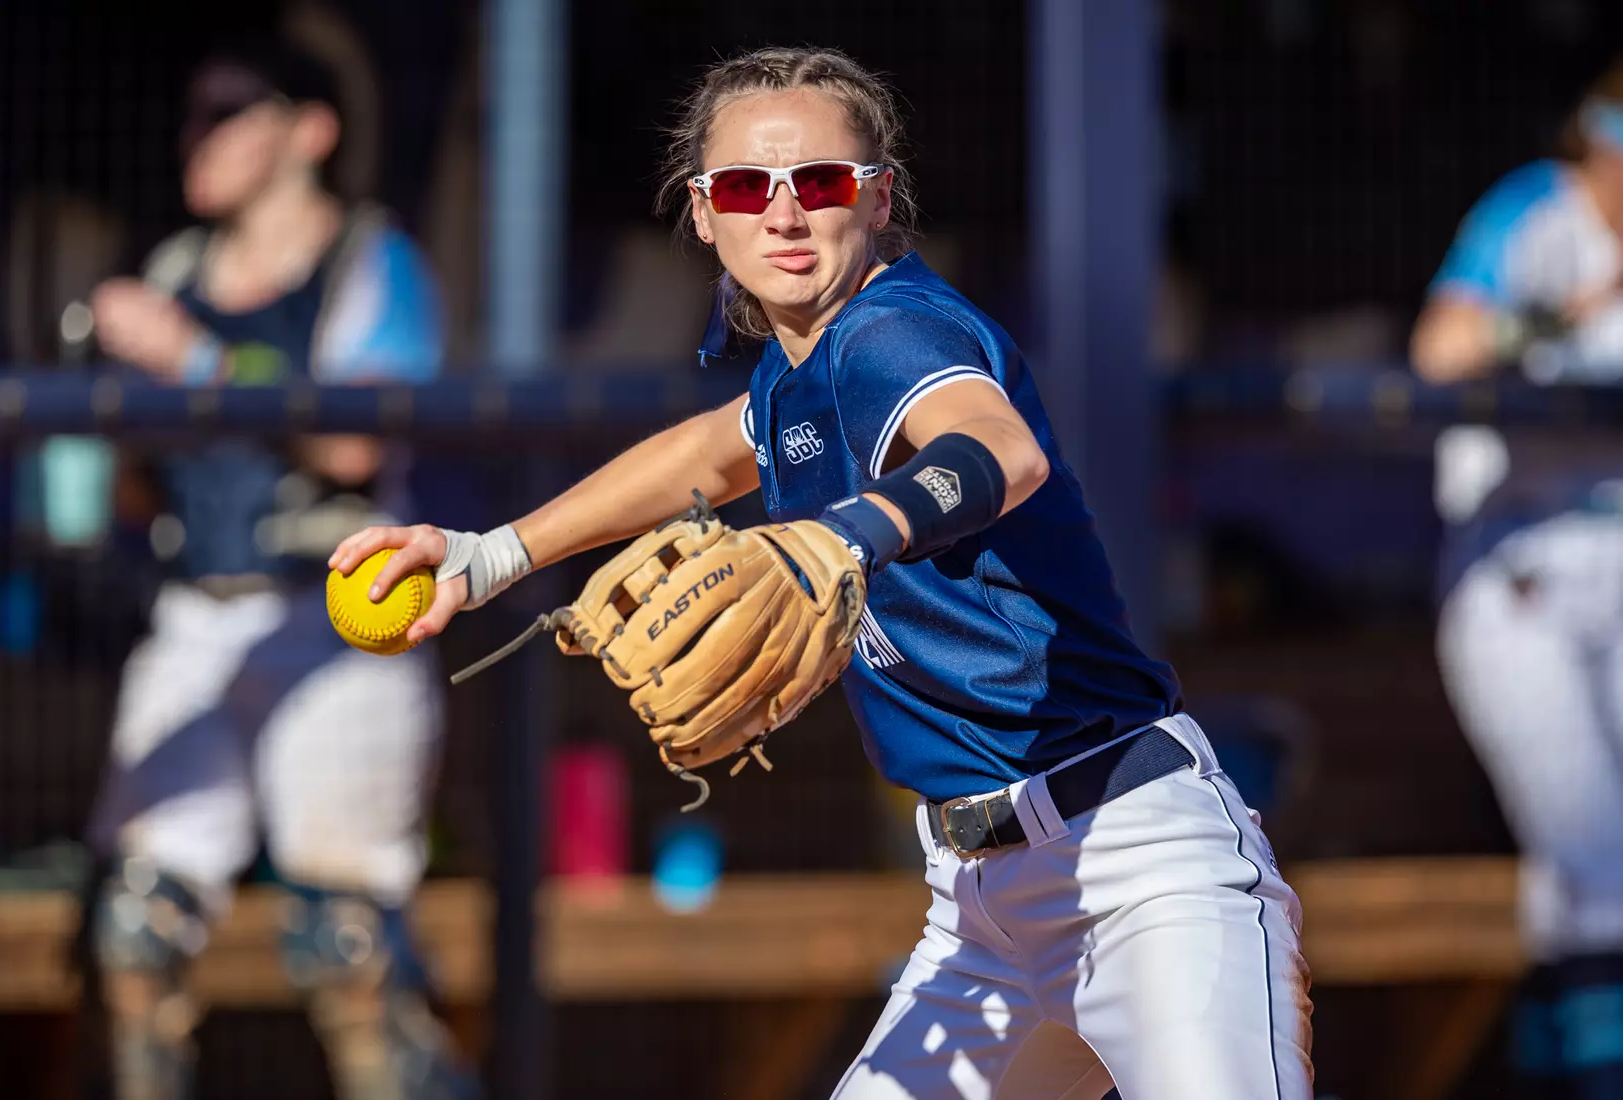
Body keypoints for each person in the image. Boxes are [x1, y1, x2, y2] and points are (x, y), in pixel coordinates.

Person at [333, 46, 1314, 1099]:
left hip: (1137, 870)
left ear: (879, 198)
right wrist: (494, 554)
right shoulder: (796, 368)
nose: (785, 214)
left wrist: (843, 534)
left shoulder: (892, 331)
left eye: (823, 182)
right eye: (749, 188)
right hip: (982, 906)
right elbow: (708, 452)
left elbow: (1000, 451)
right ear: (704, 215)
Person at [83, 40, 478, 1100]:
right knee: (130, 927)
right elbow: (131, 485)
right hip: (197, 612)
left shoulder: (371, 258)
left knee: (349, 948)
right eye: (194, 114)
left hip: (334, 619)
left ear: (309, 129)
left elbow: (358, 442)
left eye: (229, 112)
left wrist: (191, 361)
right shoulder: (172, 271)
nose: (198, 137)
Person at [1412, 58, 1623, 1099]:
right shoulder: (1538, 212)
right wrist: (1563, 314)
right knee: (1593, 859)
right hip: (1525, 569)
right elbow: (1441, 349)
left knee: (1593, 873)